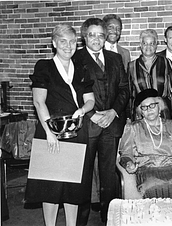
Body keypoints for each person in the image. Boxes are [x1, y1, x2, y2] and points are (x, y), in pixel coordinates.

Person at [24, 24, 95, 226]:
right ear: (54, 43)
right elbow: (39, 102)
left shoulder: (81, 68)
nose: (68, 46)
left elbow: (90, 100)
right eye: (63, 41)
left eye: (72, 42)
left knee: (73, 187)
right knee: (51, 186)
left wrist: (82, 110)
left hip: (75, 132)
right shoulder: (44, 66)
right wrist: (48, 131)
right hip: (50, 132)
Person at [72, 18, 129, 225]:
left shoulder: (115, 58)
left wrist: (113, 112)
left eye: (101, 35)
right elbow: (73, 92)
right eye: (92, 35)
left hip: (111, 124)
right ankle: (80, 220)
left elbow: (124, 89)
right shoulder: (75, 58)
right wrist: (92, 114)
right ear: (84, 37)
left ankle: (109, 218)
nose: (97, 39)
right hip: (88, 125)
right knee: (84, 176)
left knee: (109, 178)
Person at [128, 29, 172, 121]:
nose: (148, 46)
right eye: (145, 43)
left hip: (163, 112)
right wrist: (129, 117)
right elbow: (130, 94)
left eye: (152, 43)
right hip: (141, 114)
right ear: (140, 45)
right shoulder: (132, 66)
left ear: (156, 45)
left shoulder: (166, 62)